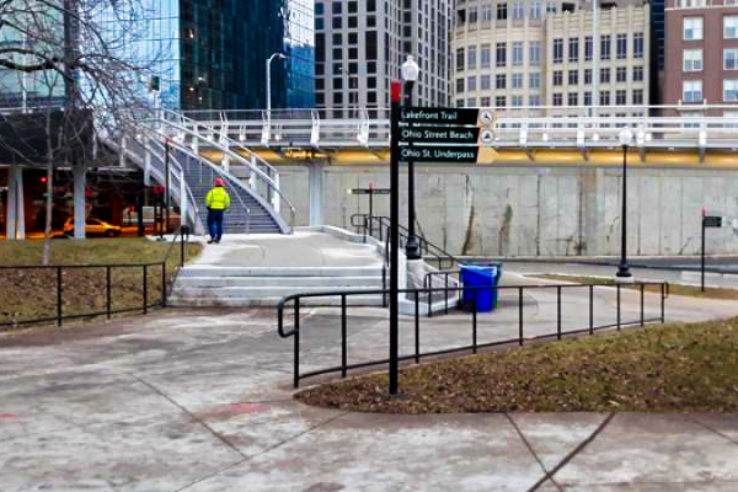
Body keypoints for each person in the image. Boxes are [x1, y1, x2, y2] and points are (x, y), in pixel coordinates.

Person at [205, 178, 231, 244]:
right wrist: (225, 207)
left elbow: (208, 201)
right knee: (219, 224)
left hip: (212, 210)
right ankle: (218, 238)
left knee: (210, 223)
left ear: (215, 184)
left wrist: (208, 206)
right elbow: (227, 202)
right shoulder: (225, 193)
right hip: (220, 210)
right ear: (222, 184)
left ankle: (213, 236)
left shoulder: (212, 192)